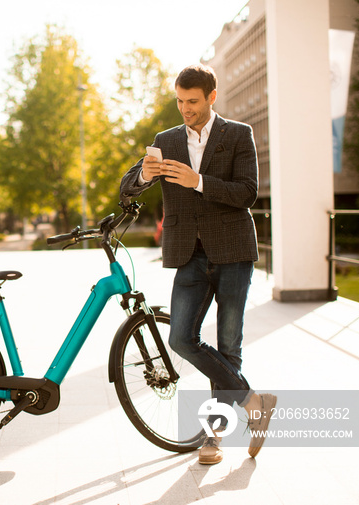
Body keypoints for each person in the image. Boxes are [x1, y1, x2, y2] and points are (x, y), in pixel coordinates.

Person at [120, 64, 276, 465]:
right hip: (188, 252)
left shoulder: (238, 134)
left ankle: (213, 438)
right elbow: (127, 190)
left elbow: (248, 193)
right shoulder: (165, 140)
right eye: (179, 101)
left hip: (233, 251)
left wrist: (198, 181)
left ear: (211, 96)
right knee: (181, 339)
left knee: (228, 346)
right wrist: (142, 174)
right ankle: (255, 401)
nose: (185, 109)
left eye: (192, 101)